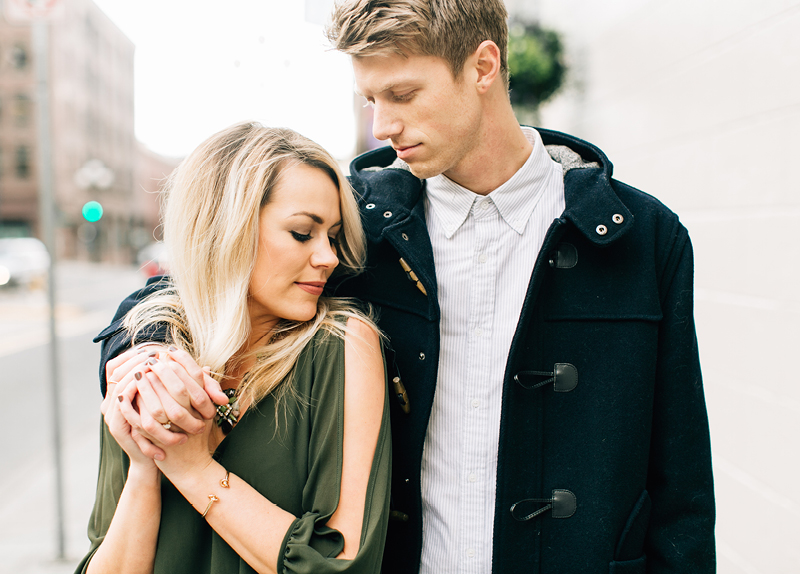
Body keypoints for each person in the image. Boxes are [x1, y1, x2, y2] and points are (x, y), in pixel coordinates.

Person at [97, 1, 716, 572]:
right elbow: (209, 276)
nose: (383, 124)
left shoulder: (639, 238)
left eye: (402, 93)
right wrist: (150, 351)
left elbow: (681, 482)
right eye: (370, 99)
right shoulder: (359, 224)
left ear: (483, 65)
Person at [78, 122, 391, 573]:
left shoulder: (340, 346)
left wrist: (190, 467)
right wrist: (145, 466)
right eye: (303, 233)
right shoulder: (149, 356)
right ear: (227, 229)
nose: (329, 257)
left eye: (333, 236)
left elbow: (343, 565)